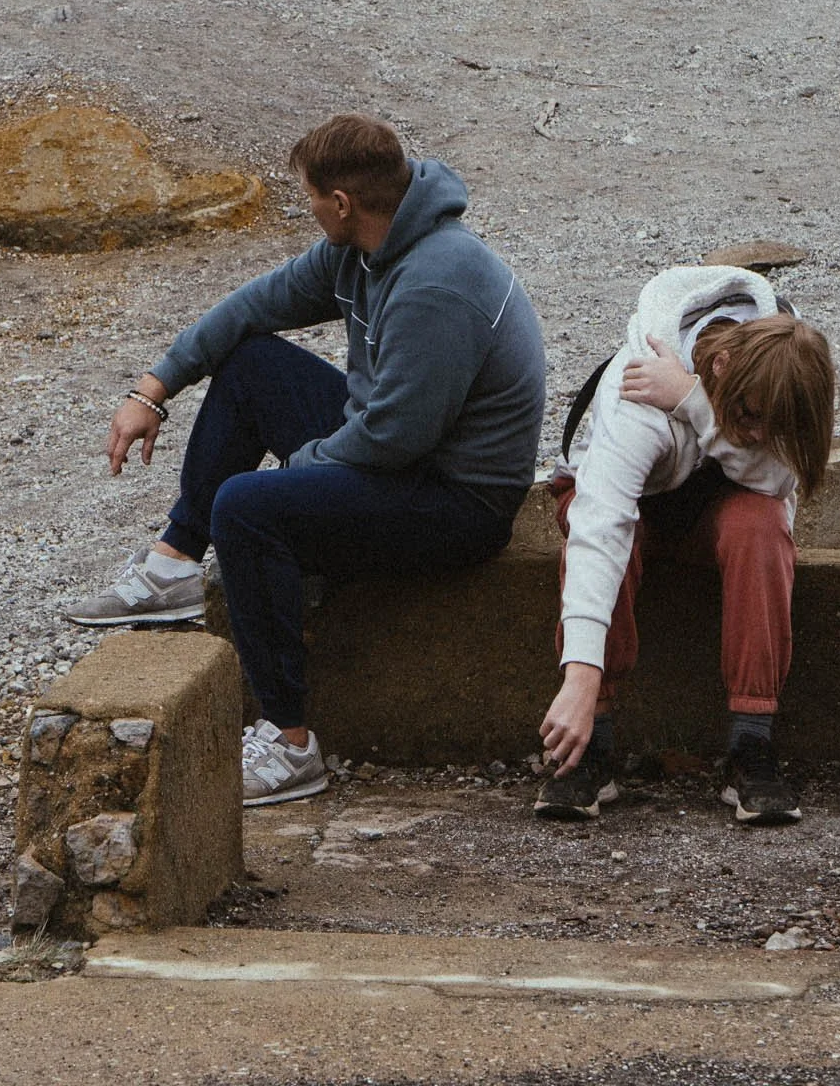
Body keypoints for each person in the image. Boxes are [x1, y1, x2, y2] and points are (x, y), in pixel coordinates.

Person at [66, 113, 547, 806]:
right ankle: (174, 563)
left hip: (457, 501)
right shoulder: (363, 248)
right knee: (252, 363)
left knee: (246, 507)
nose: (310, 210)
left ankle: (289, 743)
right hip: (402, 454)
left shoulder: (436, 285)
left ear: (342, 203)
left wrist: (297, 471)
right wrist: (153, 389)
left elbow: (395, 439)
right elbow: (252, 307)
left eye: (312, 198)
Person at [535, 266, 835, 825]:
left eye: (774, 429)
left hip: (710, 516)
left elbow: (778, 480)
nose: (759, 438)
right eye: (750, 418)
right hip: (619, 507)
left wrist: (695, 404)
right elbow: (601, 525)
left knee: (761, 525)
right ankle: (591, 743)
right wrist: (581, 676)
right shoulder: (638, 384)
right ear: (721, 365)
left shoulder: (781, 373)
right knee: (605, 531)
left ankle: (751, 743)